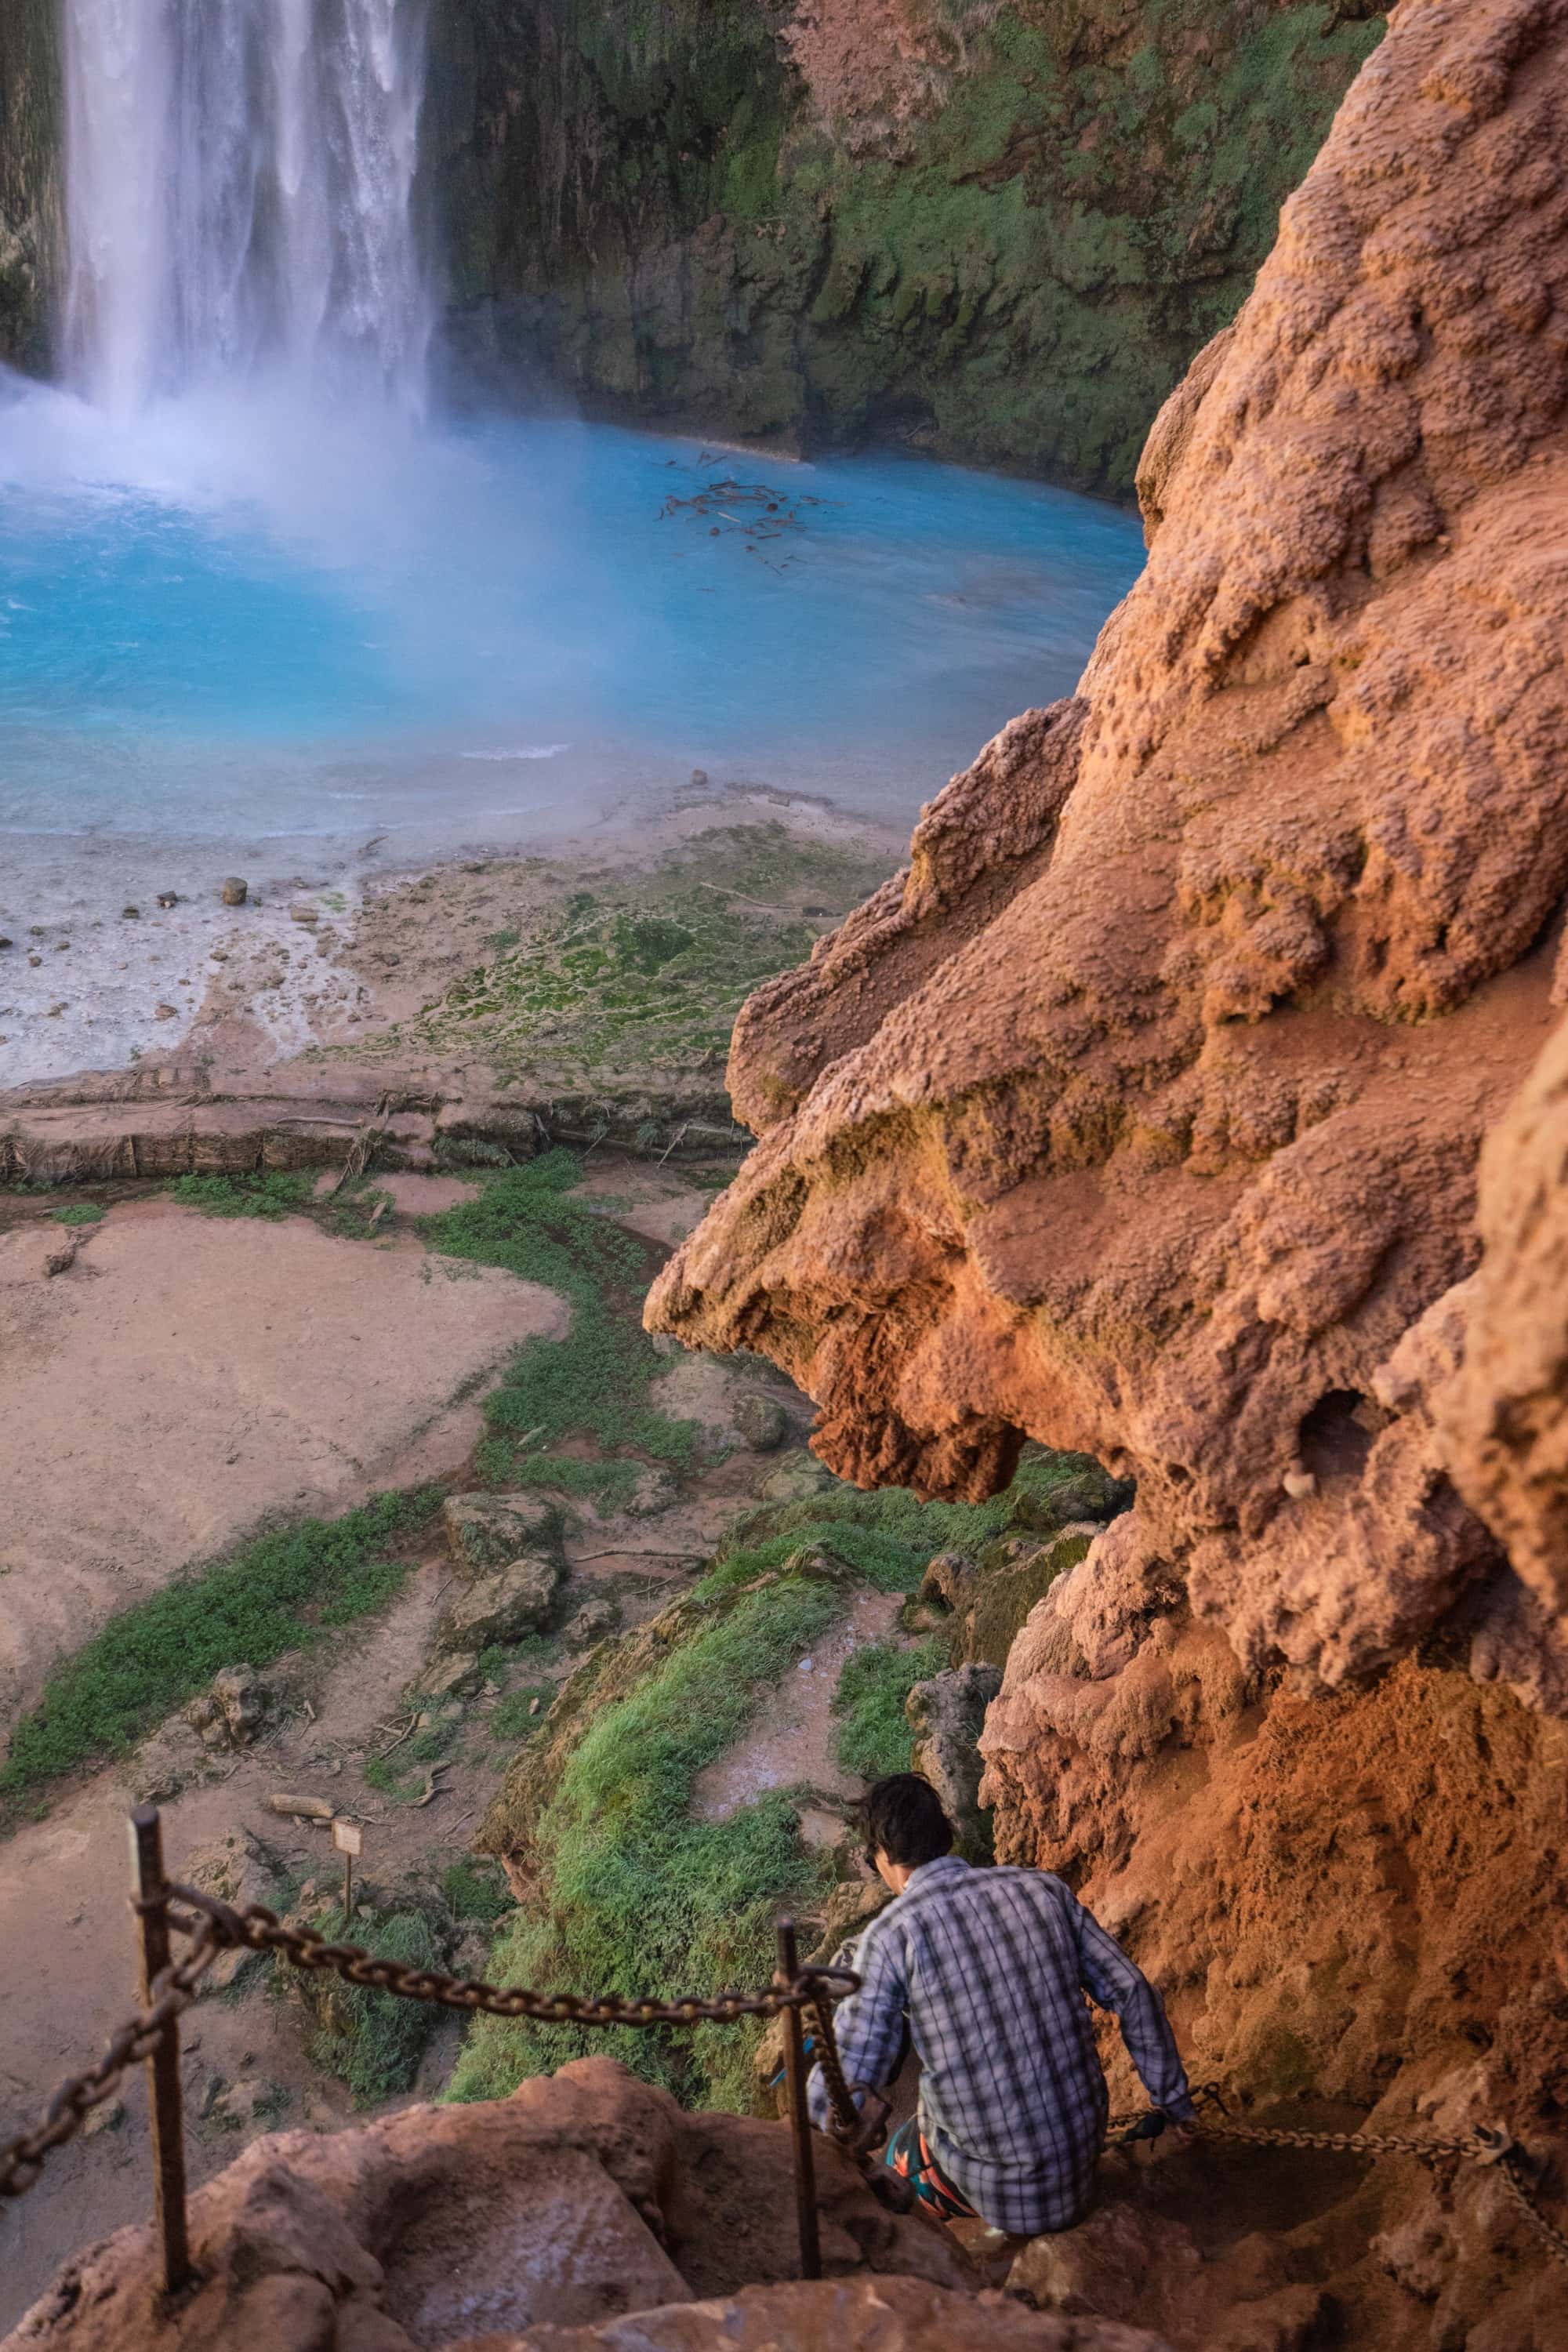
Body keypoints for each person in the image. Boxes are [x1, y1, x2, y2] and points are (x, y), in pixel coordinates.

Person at [808, 1773, 1194, 2236]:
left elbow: (838, 2089)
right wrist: (1175, 2106)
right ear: (945, 1835)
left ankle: (981, 2250)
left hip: (1009, 2196)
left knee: (900, 2156)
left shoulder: (890, 1937)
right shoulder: (1042, 1890)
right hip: (1081, 2154)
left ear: (884, 1856)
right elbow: (1133, 1992)